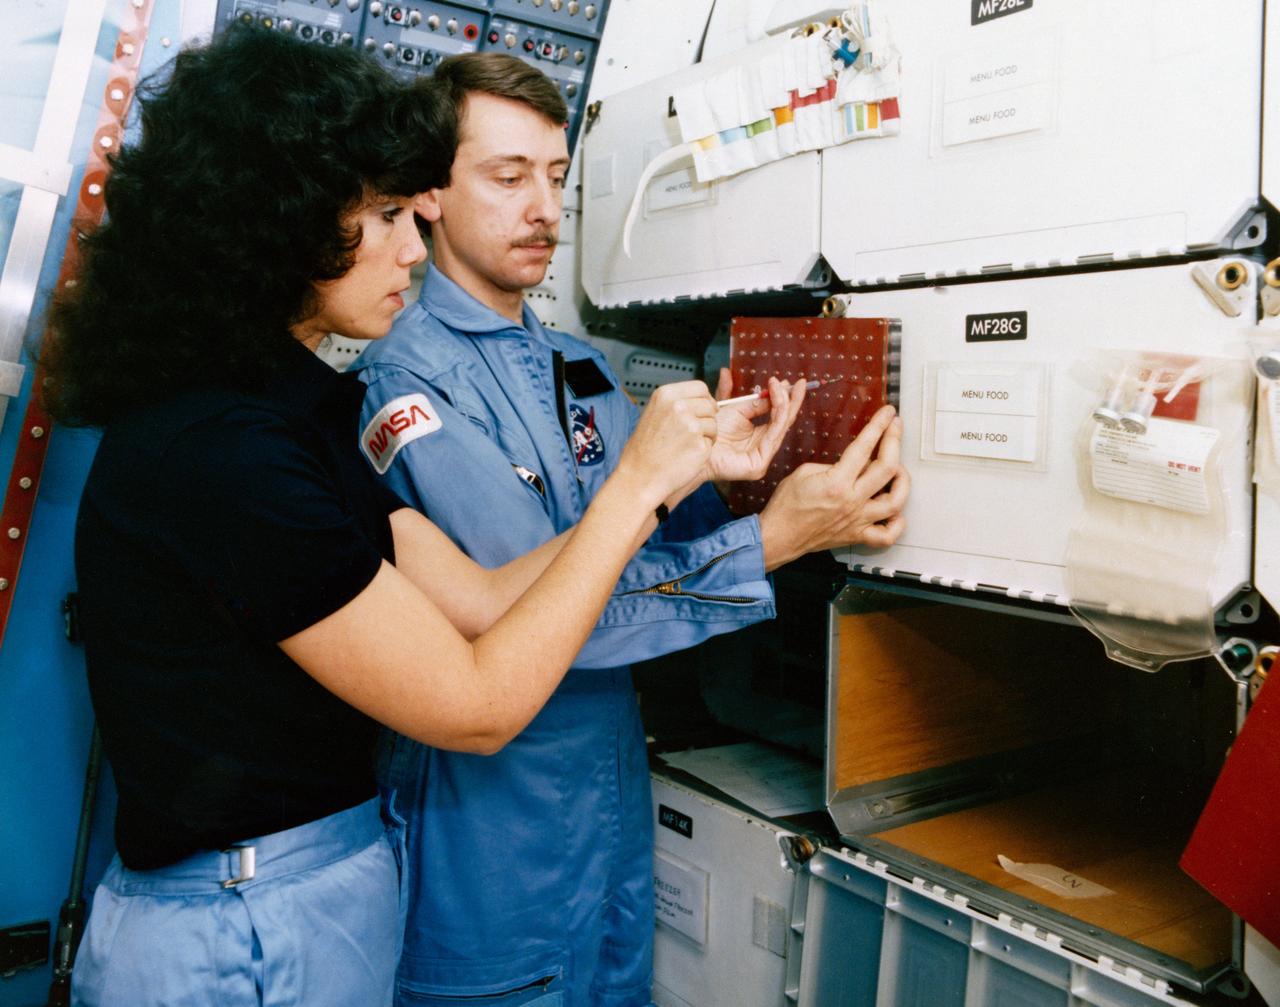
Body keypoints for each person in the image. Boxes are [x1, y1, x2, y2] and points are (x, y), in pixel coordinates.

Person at [34, 27, 774, 1007]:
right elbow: (473, 704)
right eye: (381, 213)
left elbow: (477, 595)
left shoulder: (293, 414)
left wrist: (677, 482)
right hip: (240, 927)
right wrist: (636, 488)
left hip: (312, 891)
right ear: (275, 223)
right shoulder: (219, 452)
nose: (408, 243)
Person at [353, 52, 909, 1007]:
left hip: (607, 819)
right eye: (507, 176)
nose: (543, 209)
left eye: (558, 179)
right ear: (430, 195)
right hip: (494, 839)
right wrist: (770, 541)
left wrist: (737, 475)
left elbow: (638, 533)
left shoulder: (576, 367)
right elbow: (539, 623)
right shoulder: (405, 384)